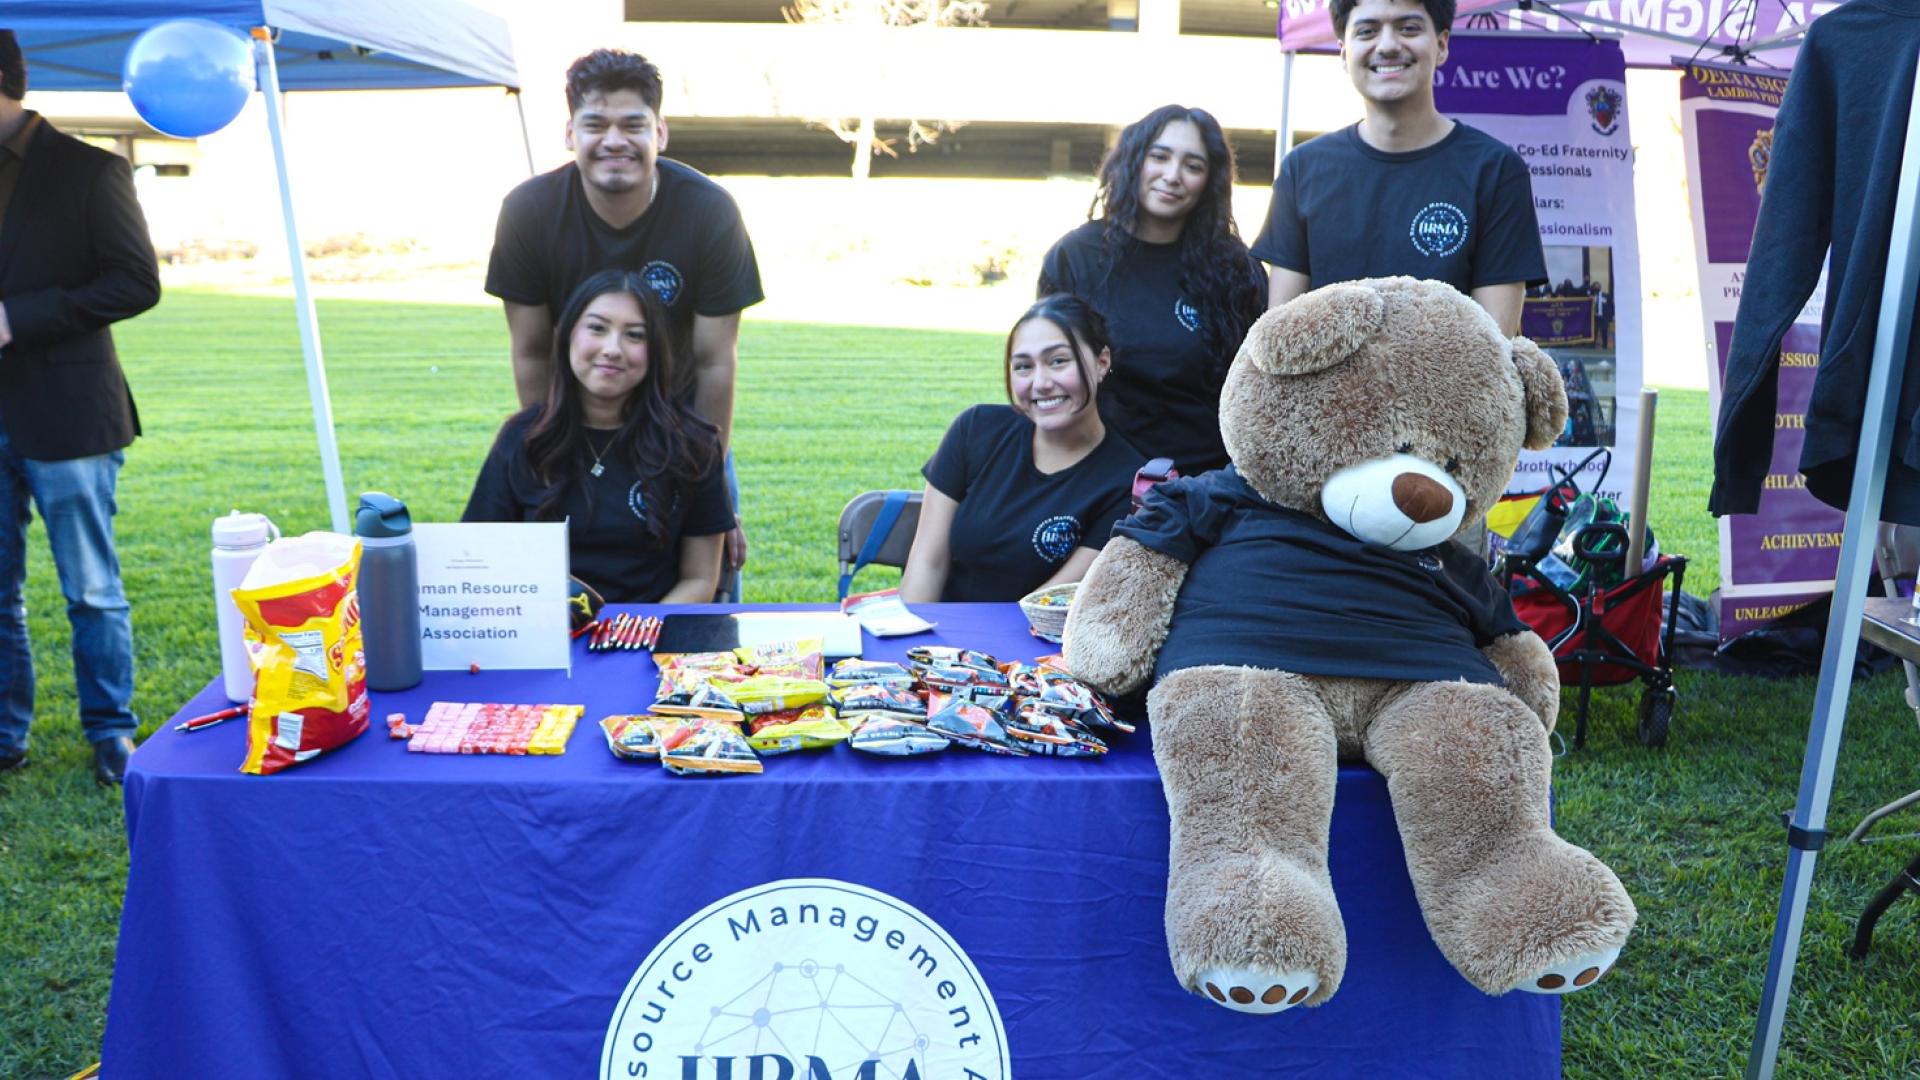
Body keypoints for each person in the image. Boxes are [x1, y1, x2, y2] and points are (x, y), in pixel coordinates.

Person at [486, 48, 761, 586]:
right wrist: (550, 455)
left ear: (660, 132)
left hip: (681, 431)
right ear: (570, 133)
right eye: (596, 124)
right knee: (559, 590)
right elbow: (532, 352)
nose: (614, 140)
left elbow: (714, 362)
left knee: (705, 582)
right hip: (573, 428)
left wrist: (710, 493)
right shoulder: (528, 212)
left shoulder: (709, 212)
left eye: (633, 125)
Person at [0, 33, 159, 785]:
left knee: (91, 590)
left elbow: (136, 282)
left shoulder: (91, 169)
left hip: (70, 412)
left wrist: (16, 319)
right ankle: (6, 735)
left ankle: (111, 732)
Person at [1255, 0, 1546, 334]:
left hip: (1455, 370)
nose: (1388, 45)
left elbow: (1494, 343)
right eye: (1367, 31)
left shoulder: (1496, 171)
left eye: (1408, 28)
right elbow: (1282, 337)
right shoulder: (1301, 171)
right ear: (1344, 53)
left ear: (1442, 45)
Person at [464, 270, 732, 604]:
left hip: (648, 630)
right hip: (544, 628)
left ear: (655, 350)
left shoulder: (692, 444)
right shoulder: (523, 438)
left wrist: (636, 629)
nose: (612, 349)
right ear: (568, 335)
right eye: (597, 328)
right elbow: (477, 556)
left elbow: (700, 579)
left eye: (634, 335)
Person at [1038, 105, 1266, 476]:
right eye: (1159, 157)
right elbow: (1048, 374)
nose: (1172, 176)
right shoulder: (1075, 258)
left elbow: (1260, 390)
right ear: (1133, 161)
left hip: (1209, 483)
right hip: (1099, 479)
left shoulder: (1237, 270)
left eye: (1193, 166)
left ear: (1209, 180)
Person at [901, 295, 1147, 603]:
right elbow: (928, 561)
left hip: (1036, 631)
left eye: (1058, 361)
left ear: (1102, 363)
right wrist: (915, 631)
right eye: (1023, 367)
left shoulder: (1127, 481)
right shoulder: (975, 430)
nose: (1040, 382)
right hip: (942, 630)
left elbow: (1046, 603)